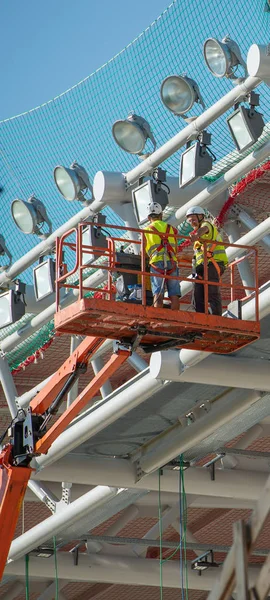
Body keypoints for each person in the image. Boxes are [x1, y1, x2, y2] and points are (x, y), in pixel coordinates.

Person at [186, 206, 228, 316]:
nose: (192, 223)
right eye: (189, 221)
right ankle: (204, 318)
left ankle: (216, 319)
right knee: (197, 297)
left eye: (194, 219)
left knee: (212, 293)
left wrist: (196, 235)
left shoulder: (206, 225)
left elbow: (203, 229)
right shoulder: (198, 241)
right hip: (202, 268)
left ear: (201, 217)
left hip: (213, 264)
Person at [144, 202, 181, 310]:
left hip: (156, 263)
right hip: (172, 262)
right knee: (174, 294)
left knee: (158, 293)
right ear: (161, 215)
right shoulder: (171, 229)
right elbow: (176, 249)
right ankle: (175, 318)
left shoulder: (146, 230)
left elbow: (143, 251)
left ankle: (157, 317)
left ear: (148, 217)